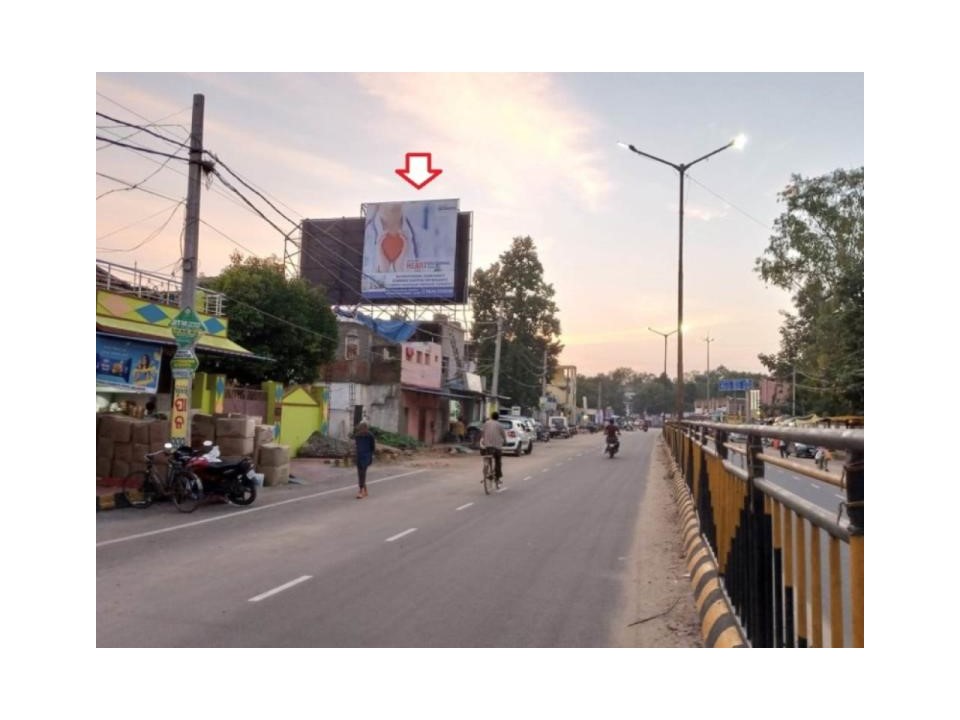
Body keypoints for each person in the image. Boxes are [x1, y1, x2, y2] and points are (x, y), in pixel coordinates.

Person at [480, 411, 507, 484]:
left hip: (488, 446)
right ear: (498, 417)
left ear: (491, 416)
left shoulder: (486, 423)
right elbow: (504, 435)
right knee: (498, 461)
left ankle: (486, 472)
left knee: (488, 457)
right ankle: (497, 478)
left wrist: (484, 439)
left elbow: (482, 433)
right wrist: (505, 442)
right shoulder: (500, 425)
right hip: (497, 447)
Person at [353, 422, 376, 499]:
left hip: (366, 456)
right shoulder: (357, 436)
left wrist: (371, 456)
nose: (361, 430)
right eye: (360, 429)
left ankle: (361, 491)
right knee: (360, 473)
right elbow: (356, 446)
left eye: (363, 429)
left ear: (366, 428)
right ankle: (364, 490)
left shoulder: (370, 436)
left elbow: (372, 447)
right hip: (359, 456)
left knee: (362, 472)